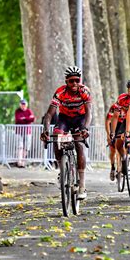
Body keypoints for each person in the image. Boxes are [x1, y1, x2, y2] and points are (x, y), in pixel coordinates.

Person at [40, 66, 91, 200]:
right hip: (64, 119)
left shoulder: (84, 91)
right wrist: (45, 130)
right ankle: (62, 169)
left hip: (80, 119)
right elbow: (49, 114)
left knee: (79, 144)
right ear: (66, 81)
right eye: (71, 81)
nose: (74, 84)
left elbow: (89, 113)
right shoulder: (60, 92)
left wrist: (85, 128)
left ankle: (82, 184)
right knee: (56, 138)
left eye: (77, 80)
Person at [110, 78, 130, 180]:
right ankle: (123, 158)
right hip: (128, 121)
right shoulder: (122, 98)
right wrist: (112, 132)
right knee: (118, 142)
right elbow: (115, 116)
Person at [15, 99, 35, 168]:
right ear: (20, 105)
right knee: (20, 146)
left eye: (24, 104)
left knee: (26, 147)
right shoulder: (17, 111)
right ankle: (19, 162)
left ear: (26, 105)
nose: (23, 106)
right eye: (22, 104)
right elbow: (18, 119)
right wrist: (27, 119)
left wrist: (24, 118)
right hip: (19, 131)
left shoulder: (29, 111)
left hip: (27, 132)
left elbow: (32, 119)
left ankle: (23, 161)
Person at [105, 102, 120, 180]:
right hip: (114, 127)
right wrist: (108, 135)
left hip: (123, 126)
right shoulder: (114, 107)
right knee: (113, 150)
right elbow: (108, 122)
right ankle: (113, 167)